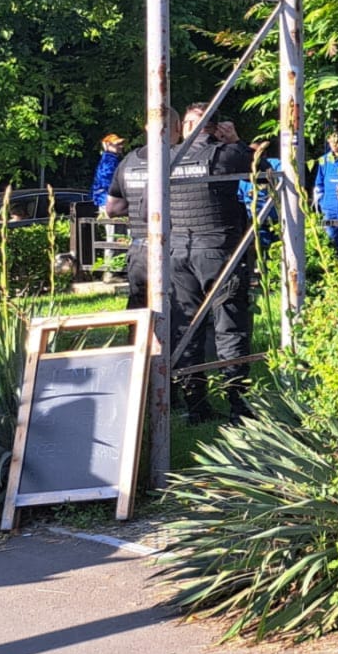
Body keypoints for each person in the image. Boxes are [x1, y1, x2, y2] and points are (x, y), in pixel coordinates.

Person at [170, 100, 255, 421]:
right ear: (215, 128)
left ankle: (196, 406)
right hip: (218, 251)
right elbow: (261, 171)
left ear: (187, 128)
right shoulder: (226, 154)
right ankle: (237, 404)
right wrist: (236, 140)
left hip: (178, 253)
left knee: (186, 328)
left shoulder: (167, 158)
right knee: (229, 325)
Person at [102, 111, 180, 314]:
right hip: (174, 246)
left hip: (139, 249)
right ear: (178, 128)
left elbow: (112, 209)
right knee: (179, 307)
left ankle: (138, 336)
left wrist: (136, 204)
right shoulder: (180, 158)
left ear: (147, 128)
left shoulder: (129, 161)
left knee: (139, 309)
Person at [312, 133, 338, 251]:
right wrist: (322, 203)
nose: (334, 145)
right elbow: (319, 184)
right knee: (331, 241)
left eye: (336, 141)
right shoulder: (324, 160)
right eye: (331, 142)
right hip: (329, 207)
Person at [90, 134, 125, 211]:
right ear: (108, 145)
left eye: (121, 144)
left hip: (107, 199)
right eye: (117, 144)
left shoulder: (111, 159)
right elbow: (107, 182)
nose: (121, 146)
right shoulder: (108, 161)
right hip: (107, 200)